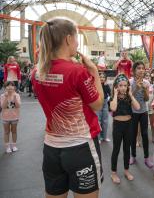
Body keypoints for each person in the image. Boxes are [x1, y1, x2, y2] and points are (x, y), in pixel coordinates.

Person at [31, 18, 104, 198]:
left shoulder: (36, 72)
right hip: (81, 147)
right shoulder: (77, 71)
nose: (77, 43)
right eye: (77, 38)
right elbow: (98, 104)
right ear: (68, 39)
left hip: (51, 148)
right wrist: (94, 72)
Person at [109, 74, 140, 184]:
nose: (123, 87)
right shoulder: (113, 98)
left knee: (127, 149)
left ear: (128, 86)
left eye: (125, 85)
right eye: (120, 85)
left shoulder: (129, 97)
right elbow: (113, 108)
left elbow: (137, 107)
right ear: (116, 86)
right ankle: (113, 173)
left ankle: (126, 170)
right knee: (116, 149)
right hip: (118, 125)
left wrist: (131, 95)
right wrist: (116, 94)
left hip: (129, 125)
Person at [129, 61, 154, 168]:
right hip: (133, 112)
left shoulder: (147, 83)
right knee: (133, 135)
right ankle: (133, 156)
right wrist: (136, 88)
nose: (141, 70)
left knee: (144, 135)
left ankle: (146, 158)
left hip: (143, 112)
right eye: (139, 68)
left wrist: (144, 89)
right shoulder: (130, 82)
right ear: (134, 70)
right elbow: (129, 98)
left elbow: (147, 99)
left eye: (143, 68)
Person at [1, 81, 21, 153]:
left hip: (14, 117)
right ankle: (7, 147)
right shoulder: (2, 96)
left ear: (14, 87)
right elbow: (3, 106)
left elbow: (18, 106)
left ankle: (14, 146)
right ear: (5, 88)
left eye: (11, 85)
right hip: (5, 117)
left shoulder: (17, 95)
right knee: (6, 132)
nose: (10, 87)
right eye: (8, 85)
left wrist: (15, 98)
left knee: (14, 131)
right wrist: (6, 97)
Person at [97, 72, 111, 142]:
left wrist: (109, 99)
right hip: (98, 103)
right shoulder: (95, 85)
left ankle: (104, 137)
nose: (102, 78)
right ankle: (99, 138)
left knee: (105, 121)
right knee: (98, 121)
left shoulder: (106, 85)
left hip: (105, 103)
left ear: (105, 79)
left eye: (103, 77)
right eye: (100, 77)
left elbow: (110, 94)